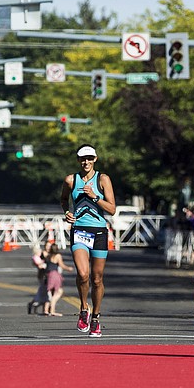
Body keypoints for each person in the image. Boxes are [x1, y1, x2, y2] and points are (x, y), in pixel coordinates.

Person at [60, 144, 116, 337]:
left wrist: (94, 197)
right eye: (83, 159)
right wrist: (67, 212)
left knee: (97, 278)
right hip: (79, 231)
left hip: (99, 232)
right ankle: (84, 308)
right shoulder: (71, 180)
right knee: (83, 274)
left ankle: (96, 317)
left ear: (95, 159)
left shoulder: (102, 179)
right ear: (78, 160)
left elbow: (112, 209)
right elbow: (63, 200)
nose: (86, 162)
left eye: (90, 158)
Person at [43, 241, 66, 315]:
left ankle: (46, 310)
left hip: (48, 274)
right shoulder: (57, 256)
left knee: (50, 292)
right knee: (58, 291)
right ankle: (52, 310)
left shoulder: (48, 256)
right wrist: (69, 268)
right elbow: (61, 265)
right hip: (55, 274)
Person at [27, 244, 47, 315]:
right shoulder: (35, 257)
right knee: (42, 292)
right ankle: (33, 304)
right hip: (42, 275)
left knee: (43, 292)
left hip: (44, 275)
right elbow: (39, 264)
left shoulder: (40, 256)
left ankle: (35, 306)